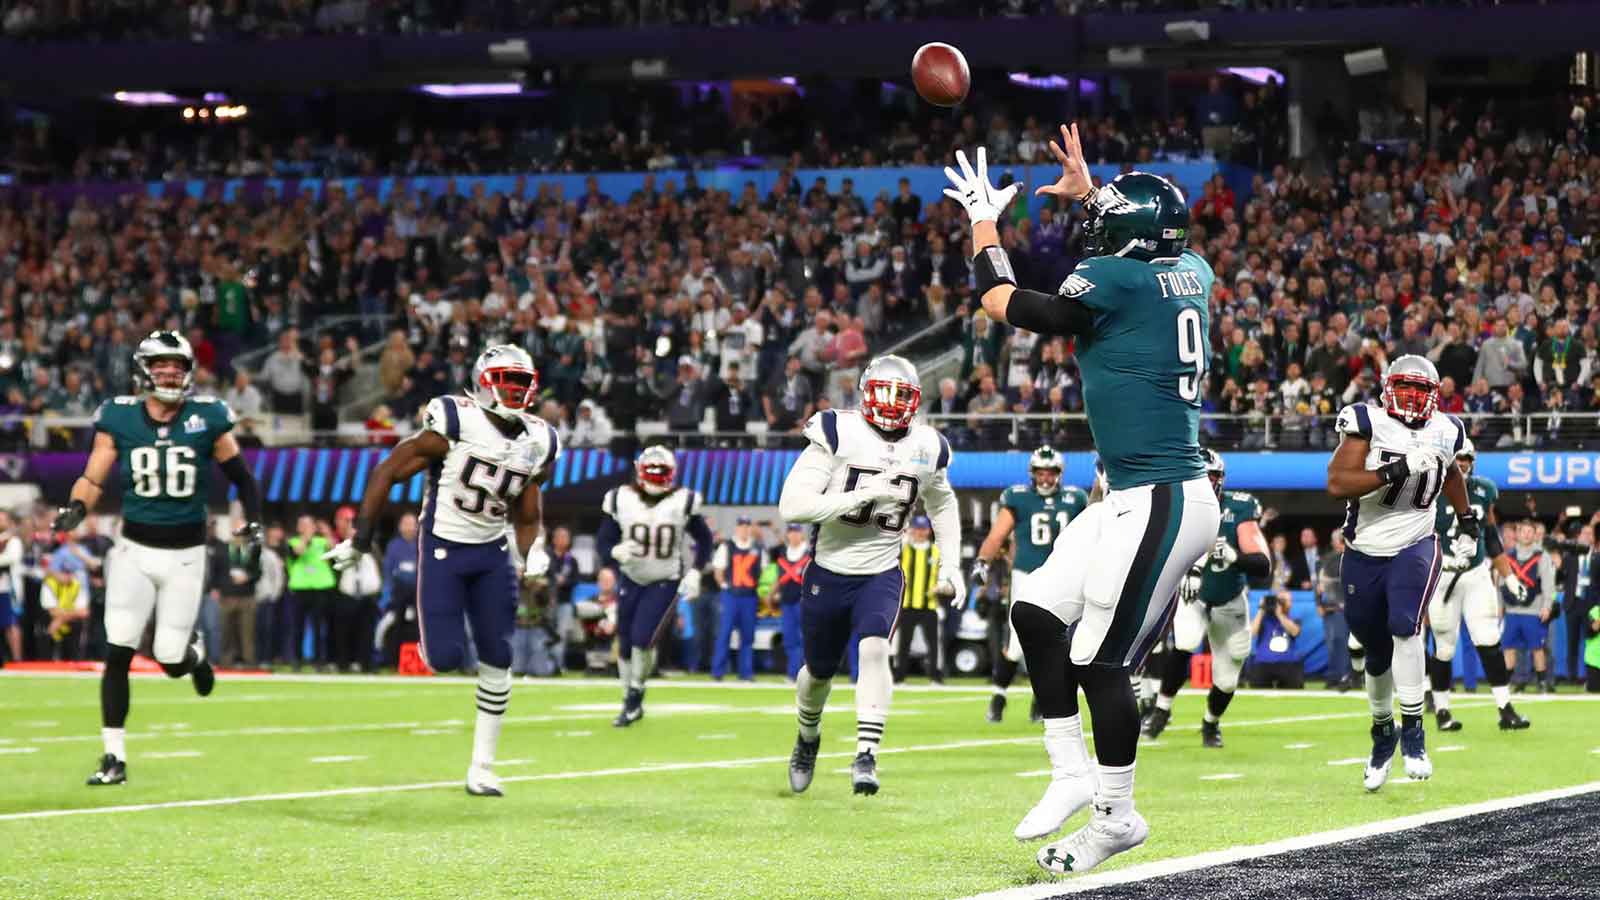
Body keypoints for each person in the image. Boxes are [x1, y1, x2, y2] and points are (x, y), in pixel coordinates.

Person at [945, 136, 1220, 873]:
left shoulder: (1114, 281)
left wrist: (981, 219)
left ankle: (1115, 817)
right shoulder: (1191, 269)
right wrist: (1096, 192)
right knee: (1033, 614)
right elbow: (1141, 240)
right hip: (1132, 494)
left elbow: (1000, 299)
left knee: (1099, 659)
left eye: (1105, 224)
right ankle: (1069, 770)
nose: (1094, 235)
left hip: (1164, 498)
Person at [325, 344, 557, 798]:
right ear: (484, 382)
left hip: (492, 553)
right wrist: (360, 539)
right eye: (506, 380)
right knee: (446, 658)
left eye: (521, 381)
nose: (515, 389)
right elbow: (387, 471)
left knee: (498, 655)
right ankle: (442, 647)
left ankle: (483, 767)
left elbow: (528, 513)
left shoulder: (540, 439)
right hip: (444, 549)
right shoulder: (455, 420)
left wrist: (535, 550)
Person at [53, 331, 263, 787]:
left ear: (189, 372)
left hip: (186, 555)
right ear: (144, 370)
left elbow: (242, 478)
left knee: (169, 655)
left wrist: (254, 521)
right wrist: (76, 507)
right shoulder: (119, 417)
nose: (170, 372)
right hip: (133, 550)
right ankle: (113, 756)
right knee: (119, 649)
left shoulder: (208, 416)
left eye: (178, 365)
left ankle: (194, 660)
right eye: (161, 364)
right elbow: (92, 476)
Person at [778, 354, 963, 797]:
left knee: (876, 648)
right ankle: (807, 736)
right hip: (829, 570)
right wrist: (859, 496)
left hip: (881, 569)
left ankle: (866, 753)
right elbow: (793, 506)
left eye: (903, 396)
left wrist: (952, 564)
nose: (894, 404)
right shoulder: (838, 431)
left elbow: (943, 505)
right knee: (817, 673)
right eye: (885, 393)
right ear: (866, 394)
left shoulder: (927, 445)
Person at [1327, 354, 1480, 793]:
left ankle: (1414, 731)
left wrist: (1466, 518)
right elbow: (1338, 482)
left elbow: (1448, 470)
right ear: (1388, 388)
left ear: (1433, 395)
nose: (1412, 398)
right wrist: (1394, 469)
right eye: (1405, 388)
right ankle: (1382, 731)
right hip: (1364, 549)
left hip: (1417, 541)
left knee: (1405, 625)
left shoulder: (1448, 429)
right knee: (1376, 652)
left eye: (1420, 390)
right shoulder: (1366, 421)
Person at [1142, 449, 1269, 748]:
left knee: (1227, 676)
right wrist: (1180, 571)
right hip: (1194, 597)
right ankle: (1161, 710)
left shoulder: (1239, 507)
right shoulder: (1175, 506)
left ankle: (1210, 723)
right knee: (1185, 643)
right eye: (1197, 476)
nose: (1203, 483)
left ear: (1220, 479)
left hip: (1230, 600)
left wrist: (1236, 556)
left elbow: (1263, 565)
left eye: (1209, 476)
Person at [969, 446, 1088, 723]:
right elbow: (998, 534)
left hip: (1064, 574)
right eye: (1040, 473)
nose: (1045, 479)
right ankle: (998, 697)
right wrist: (982, 561)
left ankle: (1042, 701)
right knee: (1017, 644)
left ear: (1060, 474)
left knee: (1061, 643)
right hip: (1027, 575)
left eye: (1051, 473)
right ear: (1032, 474)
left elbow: (1090, 532)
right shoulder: (1018, 497)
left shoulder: (1075, 498)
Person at [596, 445, 712, 726]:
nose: (657, 477)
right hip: (631, 578)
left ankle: (635, 692)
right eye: (653, 471)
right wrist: (614, 552)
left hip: (664, 578)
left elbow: (705, 541)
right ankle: (629, 697)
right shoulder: (620, 499)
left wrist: (696, 571)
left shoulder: (683, 501)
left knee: (643, 637)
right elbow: (604, 539)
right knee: (624, 642)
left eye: (662, 472)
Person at [1425, 439, 1531, 731]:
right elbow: (1418, 537)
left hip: (1475, 574)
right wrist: (1439, 563)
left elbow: (1492, 537)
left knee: (1488, 639)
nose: (1462, 462)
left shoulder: (1484, 490)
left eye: (1466, 457)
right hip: (1443, 576)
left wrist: (1509, 577)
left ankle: (1505, 708)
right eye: (1457, 457)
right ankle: (1443, 711)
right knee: (1444, 646)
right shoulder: (1432, 490)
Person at [1502, 520, 1557, 694]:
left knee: (1537, 648)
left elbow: (1549, 584)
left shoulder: (1542, 555)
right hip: (1511, 610)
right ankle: (1506, 683)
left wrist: (1547, 606)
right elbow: (1502, 583)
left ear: (1534, 535)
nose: (1526, 534)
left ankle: (1541, 683)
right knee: (1508, 647)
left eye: (1529, 531)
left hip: (1533, 610)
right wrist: (1500, 606)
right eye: (1522, 531)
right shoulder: (1508, 556)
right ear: (1517, 534)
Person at [711, 516, 764, 682]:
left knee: (748, 636)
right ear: (737, 528)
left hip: (749, 596)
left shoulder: (757, 547)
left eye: (747, 526)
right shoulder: (727, 546)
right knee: (724, 633)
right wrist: (724, 586)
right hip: (731, 596)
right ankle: (718, 671)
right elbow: (718, 570)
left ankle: (746, 672)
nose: (744, 529)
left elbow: (761, 571)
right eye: (742, 526)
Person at [892, 516, 943, 684]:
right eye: (917, 529)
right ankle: (899, 677)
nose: (920, 532)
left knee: (933, 644)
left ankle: (935, 677)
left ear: (929, 530)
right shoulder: (906, 549)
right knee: (904, 643)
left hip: (929, 604)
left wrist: (941, 586)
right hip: (908, 604)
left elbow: (943, 575)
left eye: (923, 529)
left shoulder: (935, 551)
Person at [216, 514, 263, 668]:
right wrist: (215, 588)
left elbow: (258, 571)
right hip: (227, 595)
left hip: (247, 596)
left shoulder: (252, 549)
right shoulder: (222, 548)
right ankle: (226, 662)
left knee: (247, 632)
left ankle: (249, 661)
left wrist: (248, 577)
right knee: (226, 631)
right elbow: (216, 570)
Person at [772, 523, 811, 681]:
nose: (794, 535)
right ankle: (793, 672)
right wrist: (772, 594)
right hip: (786, 601)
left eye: (797, 532)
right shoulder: (783, 554)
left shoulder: (809, 554)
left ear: (801, 534)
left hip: (802, 602)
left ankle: (801, 672)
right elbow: (780, 578)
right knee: (789, 638)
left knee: (803, 639)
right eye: (791, 532)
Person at [1246, 591, 1304, 688]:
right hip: (1263, 663)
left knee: (1294, 691)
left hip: (1288, 663)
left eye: (1284, 600)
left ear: (1290, 603)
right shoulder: (1262, 618)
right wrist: (1261, 609)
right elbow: (1252, 633)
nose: (1280, 603)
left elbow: (1295, 632)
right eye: (1278, 600)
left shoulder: (1294, 618)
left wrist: (1280, 614)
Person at [1316, 532, 1351, 690]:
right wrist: (1319, 604)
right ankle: (1335, 677)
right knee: (1334, 642)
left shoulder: (1353, 557)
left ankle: (1345, 676)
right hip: (1332, 608)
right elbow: (1320, 584)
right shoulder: (1328, 560)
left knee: (1344, 642)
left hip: (1348, 608)